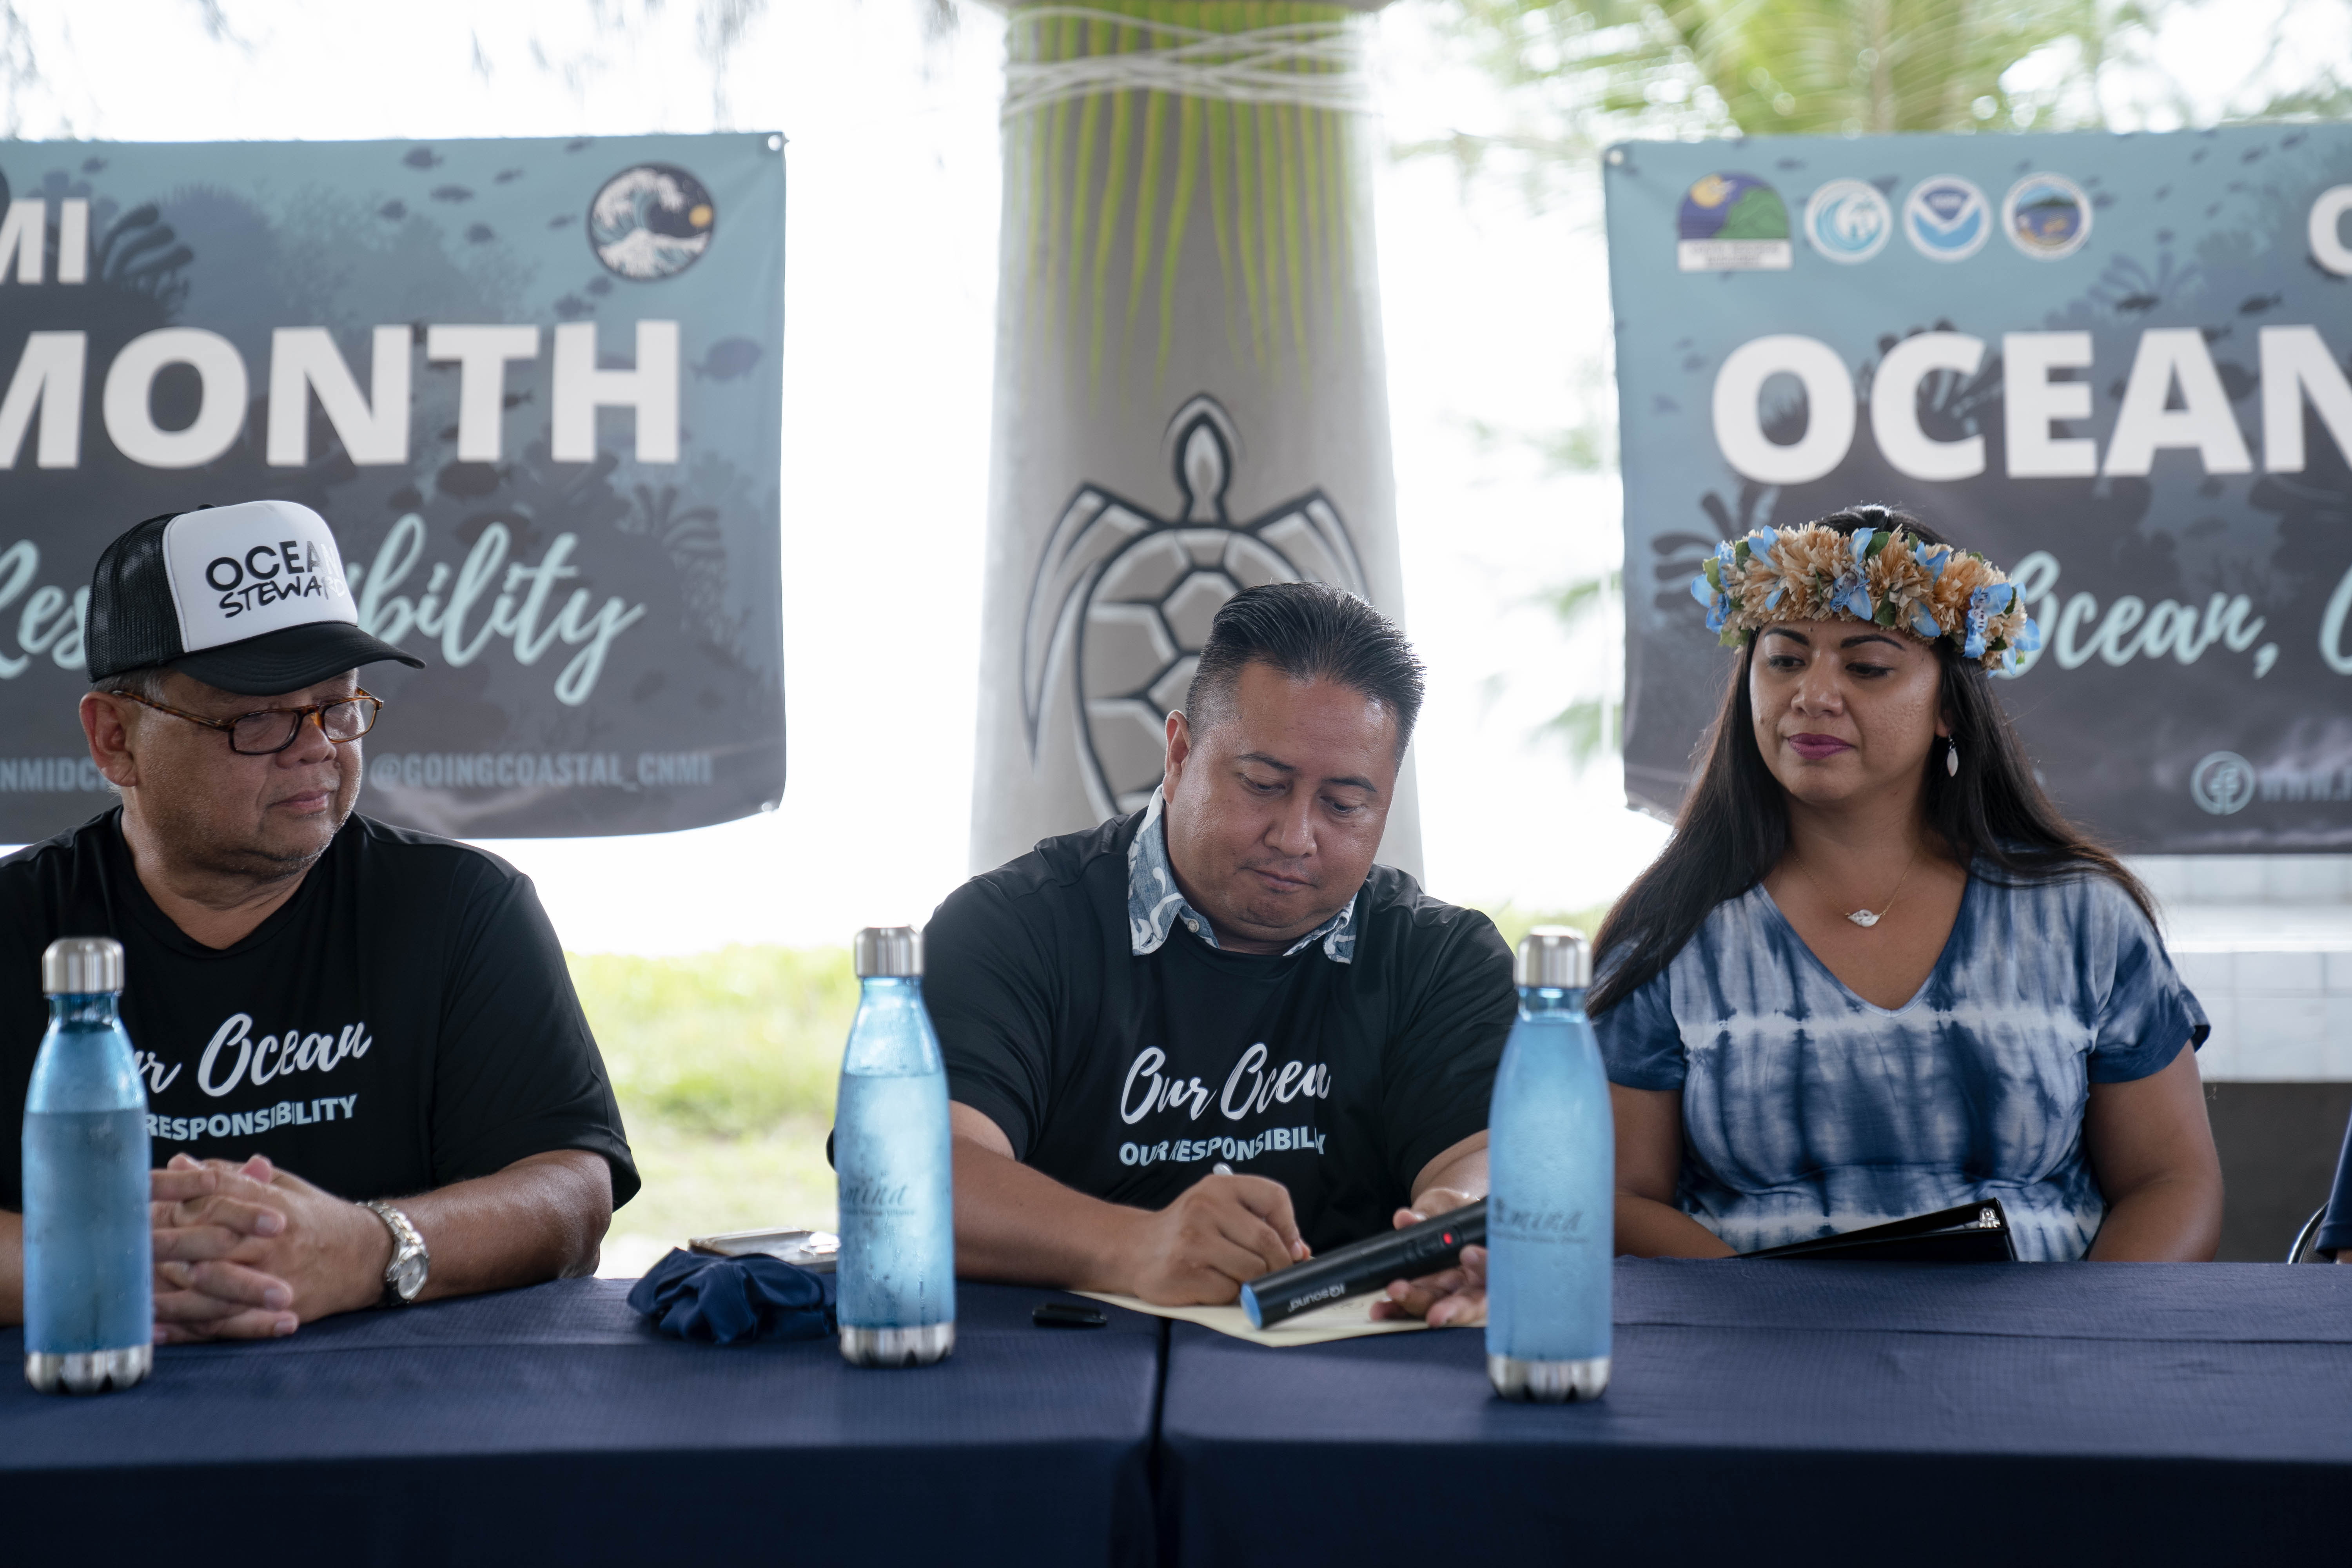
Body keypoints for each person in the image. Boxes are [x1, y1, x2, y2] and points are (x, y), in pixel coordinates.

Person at [0, 499, 636, 1341]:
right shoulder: (17, 925)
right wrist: (113, 1269)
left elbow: (570, 1192)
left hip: (404, 1422)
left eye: (337, 705)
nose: (318, 747)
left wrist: (372, 1246)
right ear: (115, 738)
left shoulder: (461, 907)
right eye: (256, 718)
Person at [1596, 504, 2222, 1263]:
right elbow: (1621, 1198)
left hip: (2041, 1361)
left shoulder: (2084, 917)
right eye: (1786, 659)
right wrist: (1775, 1326)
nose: (1814, 696)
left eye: (1867, 667)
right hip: (1759, 1359)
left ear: (1949, 710)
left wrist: (2083, 1345)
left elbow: (2172, 1181)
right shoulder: (1671, 926)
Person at [920, 582, 1512, 1322]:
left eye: (1345, 805)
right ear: (1179, 754)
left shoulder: (1440, 960)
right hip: (1059, 1367)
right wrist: (1134, 1247)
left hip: (1350, 1375)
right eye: (1263, 785)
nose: (1296, 837)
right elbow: (915, 1173)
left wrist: (1461, 1231)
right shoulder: (1014, 930)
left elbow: (1485, 1164)